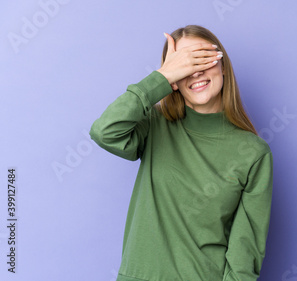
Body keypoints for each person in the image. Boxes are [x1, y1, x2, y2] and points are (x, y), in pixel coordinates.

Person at [89, 24, 273, 281]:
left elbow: (245, 251)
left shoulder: (254, 152)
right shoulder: (154, 125)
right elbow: (104, 131)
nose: (195, 71)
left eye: (203, 59)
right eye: (184, 64)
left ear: (222, 66)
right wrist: (162, 77)